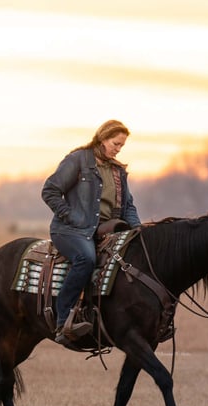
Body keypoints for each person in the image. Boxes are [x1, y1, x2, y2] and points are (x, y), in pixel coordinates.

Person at [41, 119, 142, 345]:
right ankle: (63, 320)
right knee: (86, 259)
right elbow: (50, 191)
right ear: (103, 138)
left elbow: (128, 206)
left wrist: (138, 230)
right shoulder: (78, 160)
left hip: (107, 231)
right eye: (116, 144)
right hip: (71, 230)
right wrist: (71, 216)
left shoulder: (118, 171)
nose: (118, 149)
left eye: (122, 146)